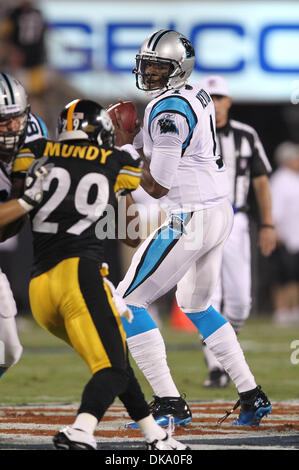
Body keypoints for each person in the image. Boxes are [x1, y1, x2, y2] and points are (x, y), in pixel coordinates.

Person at [10, 98, 190, 450]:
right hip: (79, 277)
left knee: (116, 358)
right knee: (109, 367)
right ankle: (81, 428)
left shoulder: (35, 150)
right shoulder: (117, 160)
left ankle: (155, 436)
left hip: (39, 286)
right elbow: (131, 233)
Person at [115, 29, 272, 427]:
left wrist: (123, 150)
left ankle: (169, 403)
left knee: (126, 304)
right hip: (217, 211)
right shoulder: (194, 94)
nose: (148, 73)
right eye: (147, 65)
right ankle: (252, 394)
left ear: (177, 69)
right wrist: (137, 144)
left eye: (157, 67)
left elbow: (158, 184)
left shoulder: (168, 112)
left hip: (191, 215)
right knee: (197, 305)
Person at [196, 75, 276, 388]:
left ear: (229, 101)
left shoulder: (245, 135)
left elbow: (260, 181)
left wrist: (267, 224)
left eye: (219, 98)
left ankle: (219, 348)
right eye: (209, 98)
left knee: (241, 301)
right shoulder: (193, 135)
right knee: (207, 295)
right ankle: (216, 365)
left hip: (238, 220)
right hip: (201, 220)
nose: (215, 105)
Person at [0, 72, 48, 382]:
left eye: (16, 118)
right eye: (3, 121)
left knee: (9, 351)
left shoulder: (34, 133)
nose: (13, 127)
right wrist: (26, 200)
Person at [268, 142, 299, 326]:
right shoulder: (280, 180)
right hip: (284, 237)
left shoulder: (295, 179)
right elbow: (275, 209)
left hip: (295, 237)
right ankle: (282, 310)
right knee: (283, 276)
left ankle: (294, 309)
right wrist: (274, 231)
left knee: (294, 276)